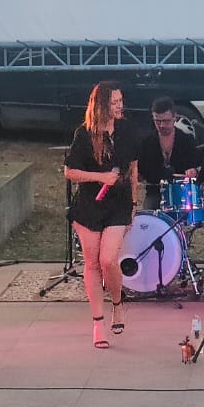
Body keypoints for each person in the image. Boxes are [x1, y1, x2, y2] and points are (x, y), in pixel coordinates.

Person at [64, 81, 138, 348]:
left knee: (108, 260)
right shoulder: (84, 134)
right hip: (89, 206)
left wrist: (134, 203)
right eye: (114, 102)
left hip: (118, 204)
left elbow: (133, 167)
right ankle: (98, 324)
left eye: (121, 100)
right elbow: (70, 172)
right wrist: (100, 177)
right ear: (102, 105)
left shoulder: (126, 130)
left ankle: (117, 302)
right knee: (92, 263)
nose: (120, 105)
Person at [138, 96, 204, 258]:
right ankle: (156, 260)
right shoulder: (147, 142)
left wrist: (194, 170)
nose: (162, 125)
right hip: (156, 192)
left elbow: (198, 163)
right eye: (157, 121)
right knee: (149, 221)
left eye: (166, 121)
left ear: (174, 118)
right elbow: (142, 172)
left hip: (184, 192)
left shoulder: (186, 139)